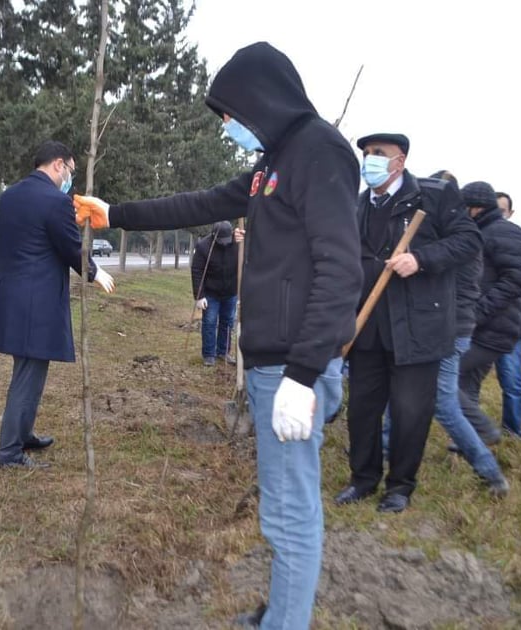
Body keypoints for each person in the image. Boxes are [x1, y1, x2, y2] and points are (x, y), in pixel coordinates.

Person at [74, 41, 362, 630]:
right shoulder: (271, 164)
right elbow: (201, 202)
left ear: (259, 99)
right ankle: (280, 612)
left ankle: (285, 623)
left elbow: (341, 269)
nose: (227, 126)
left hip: (291, 368)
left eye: (229, 114)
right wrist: (116, 213)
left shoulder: (319, 152)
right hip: (271, 365)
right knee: (282, 506)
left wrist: (304, 376)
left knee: (289, 513)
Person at [335, 134, 481, 514]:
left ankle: (399, 487)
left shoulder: (434, 197)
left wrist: (421, 259)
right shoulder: (359, 204)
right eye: (366, 154)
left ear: (399, 162)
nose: (369, 160)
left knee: (409, 412)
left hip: (417, 329)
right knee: (363, 410)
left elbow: (468, 241)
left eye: (377, 154)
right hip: (367, 326)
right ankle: (363, 480)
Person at [0, 141, 115, 470]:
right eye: (70, 170)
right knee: (28, 375)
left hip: (8, 296)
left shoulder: (9, 196)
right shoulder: (55, 201)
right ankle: (9, 453)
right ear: (58, 165)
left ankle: (23, 433)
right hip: (35, 301)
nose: (70, 177)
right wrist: (96, 271)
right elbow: (71, 249)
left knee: (29, 370)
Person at [381, 171, 509, 495]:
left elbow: (441, 284)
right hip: (442, 326)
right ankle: (383, 447)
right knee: (402, 386)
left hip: (449, 329)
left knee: (442, 402)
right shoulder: (452, 235)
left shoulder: (459, 241)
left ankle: (489, 471)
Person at [458, 182, 521, 445]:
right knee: (466, 386)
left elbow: (514, 280)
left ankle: (485, 430)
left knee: (439, 376)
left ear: (476, 207)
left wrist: (476, 313)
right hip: (482, 327)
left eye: (464, 207)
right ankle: (468, 444)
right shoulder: (483, 231)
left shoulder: (503, 233)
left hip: (493, 329)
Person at [492, 191, 521, 437]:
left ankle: (512, 431)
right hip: (480, 324)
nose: (497, 215)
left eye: (502, 211)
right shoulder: (479, 236)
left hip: (510, 326)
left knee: (511, 380)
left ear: (510, 213)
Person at [191, 221, 238, 367]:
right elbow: (197, 271)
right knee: (210, 322)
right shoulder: (203, 247)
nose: (224, 244)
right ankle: (209, 355)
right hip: (211, 293)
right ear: (214, 236)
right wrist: (199, 296)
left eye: (226, 241)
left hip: (231, 292)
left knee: (228, 322)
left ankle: (223, 352)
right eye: (220, 241)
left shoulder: (238, 244)